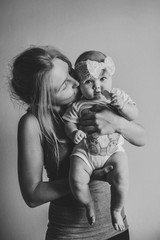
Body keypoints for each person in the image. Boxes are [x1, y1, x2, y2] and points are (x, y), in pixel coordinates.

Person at [9, 45, 146, 240]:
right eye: (64, 85)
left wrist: (117, 122)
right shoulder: (33, 124)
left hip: (116, 229)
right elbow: (32, 195)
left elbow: (142, 138)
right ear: (42, 97)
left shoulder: (92, 96)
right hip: (70, 235)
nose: (76, 83)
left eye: (71, 72)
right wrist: (88, 177)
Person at [63, 50, 139, 231]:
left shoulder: (116, 97)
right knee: (76, 179)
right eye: (89, 82)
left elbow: (134, 114)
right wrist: (73, 133)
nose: (97, 86)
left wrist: (122, 107)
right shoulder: (77, 105)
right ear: (79, 85)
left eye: (102, 79)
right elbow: (68, 122)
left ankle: (116, 210)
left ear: (111, 77)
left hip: (113, 152)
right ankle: (88, 204)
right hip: (86, 153)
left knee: (122, 178)